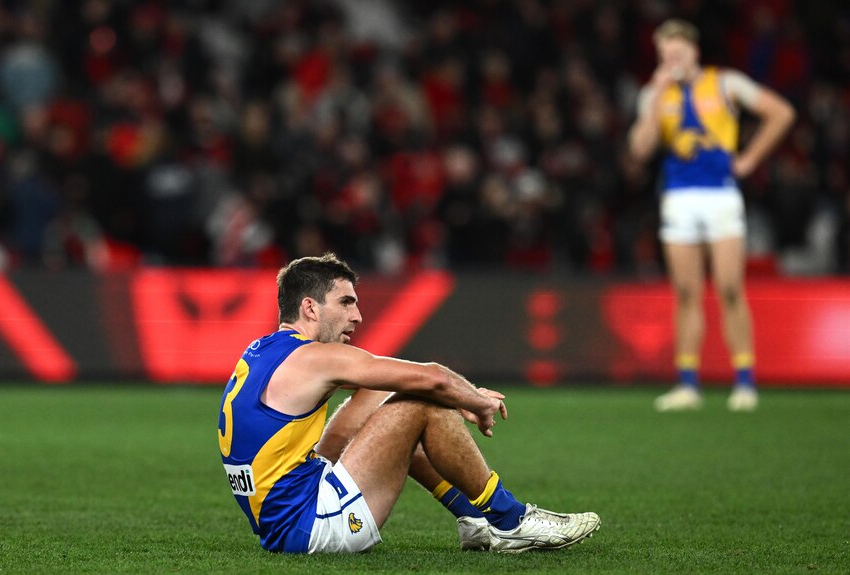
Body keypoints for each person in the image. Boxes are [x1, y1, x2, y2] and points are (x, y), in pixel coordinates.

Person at [217, 253, 601, 553]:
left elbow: (377, 390)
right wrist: (474, 401)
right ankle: (511, 520)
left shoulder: (263, 352)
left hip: (280, 519)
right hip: (312, 525)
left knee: (382, 399)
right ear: (310, 308)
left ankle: (473, 521)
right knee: (422, 405)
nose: (358, 315)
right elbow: (431, 376)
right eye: (346, 302)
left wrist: (455, 396)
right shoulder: (315, 357)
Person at [628, 19, 795, 412]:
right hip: (679, 197)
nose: (672, 59)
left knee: (730, 288)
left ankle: (745, 380)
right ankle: (688, 383)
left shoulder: (725, 83)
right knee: (686, 293)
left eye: (677, 52)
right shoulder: (654, 93)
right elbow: (639, 149)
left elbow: (781, 113)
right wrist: (656, 98)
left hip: (720, 195)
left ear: (694, 52)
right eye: (665, 53)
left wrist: (750, 158)